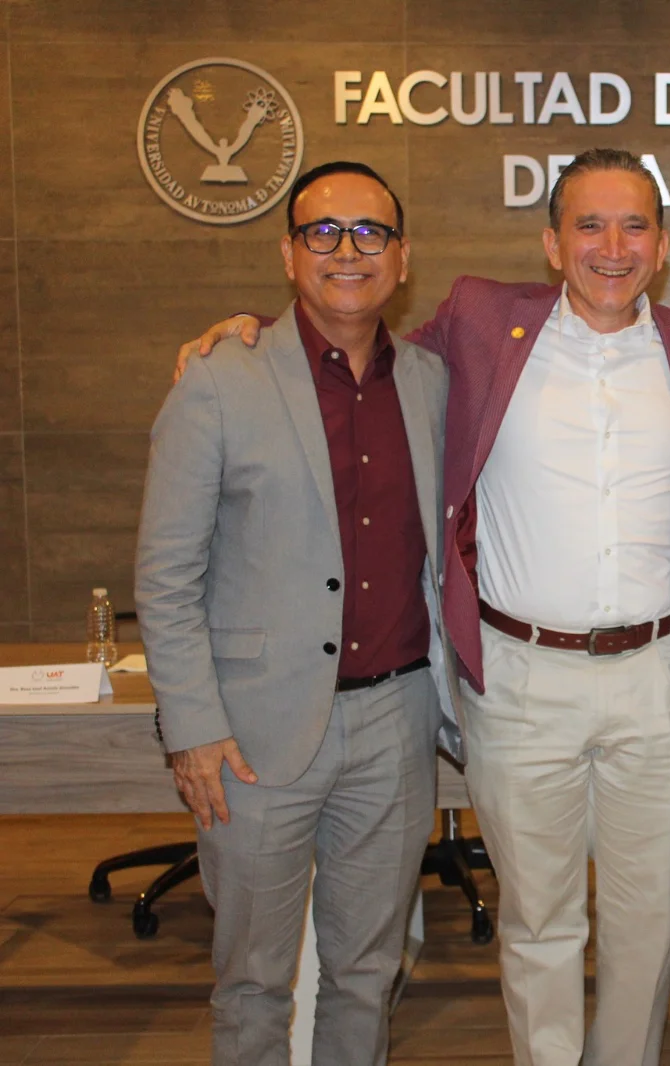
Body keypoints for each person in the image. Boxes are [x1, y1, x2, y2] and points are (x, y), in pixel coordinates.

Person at [174, 148, 670, 1066]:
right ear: (552, 244)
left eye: (634, 226)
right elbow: (349, 345)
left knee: (646, 921)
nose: (612, 247)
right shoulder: (479, 323)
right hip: (518, 678)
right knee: (538, 918)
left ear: (663, 247)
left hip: (657, 678)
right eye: (589, 224)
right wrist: (252, 333)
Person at [138, 161, 449, 1065]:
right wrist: (190, 727)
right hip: (251, 737)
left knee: (367, 971)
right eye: (323, 232)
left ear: (402, 257)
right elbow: (165, 573)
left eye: (370, 234)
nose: (347, 251)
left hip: (396, 724)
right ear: (287, 253)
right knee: (252, 981)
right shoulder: (217, 377)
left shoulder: (431, 380)